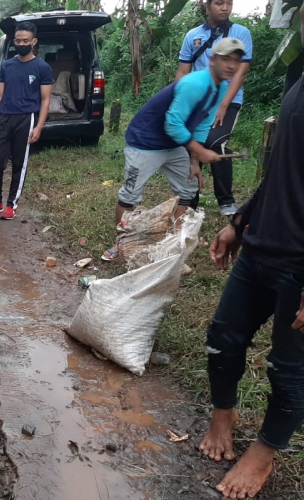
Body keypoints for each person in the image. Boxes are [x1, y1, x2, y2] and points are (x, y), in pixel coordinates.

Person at [200, 6, 304, 498]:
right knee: (223, 338)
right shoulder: (299, 83)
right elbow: (283, 168)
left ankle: (262, 454)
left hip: (299, 266)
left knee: (288, 368)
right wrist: (240, 222)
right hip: (262, 242)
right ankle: (223, 417)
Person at [101, 38, 243, 262]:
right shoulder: (195, 83)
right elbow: (173, 124)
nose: (231, 66)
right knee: (130, 194)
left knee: (189, 187)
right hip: (144, 141)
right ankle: (121, 243)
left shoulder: (221, 88)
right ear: (213, 59)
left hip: (173, 144)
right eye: (226, 59)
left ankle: (174, 241)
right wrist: (201, 151)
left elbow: (202, 125)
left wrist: (195, 161)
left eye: (236, 61)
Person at [176, 0, 253, 216]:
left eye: (229, 3)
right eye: (219, 3)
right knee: (189, 144)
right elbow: (183, 72)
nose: (225, 8)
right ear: (207, 5)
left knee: (215, 142)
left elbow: (240, 72)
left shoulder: (241, 33)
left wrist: (224, 104)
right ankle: (190, 200)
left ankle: (226, 201)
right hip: (199, 99)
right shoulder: (193, 36)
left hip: (229, 99)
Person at [0, 22, 52, 221]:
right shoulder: (7, 65)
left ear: (34, 41)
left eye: (25, 41)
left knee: (19, 163)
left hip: (26, 119)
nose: (21, 44)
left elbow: (46, 100)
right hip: (4, 118)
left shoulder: (42, 68)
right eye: (18, 41)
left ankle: (12, 205)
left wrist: (39, 126)